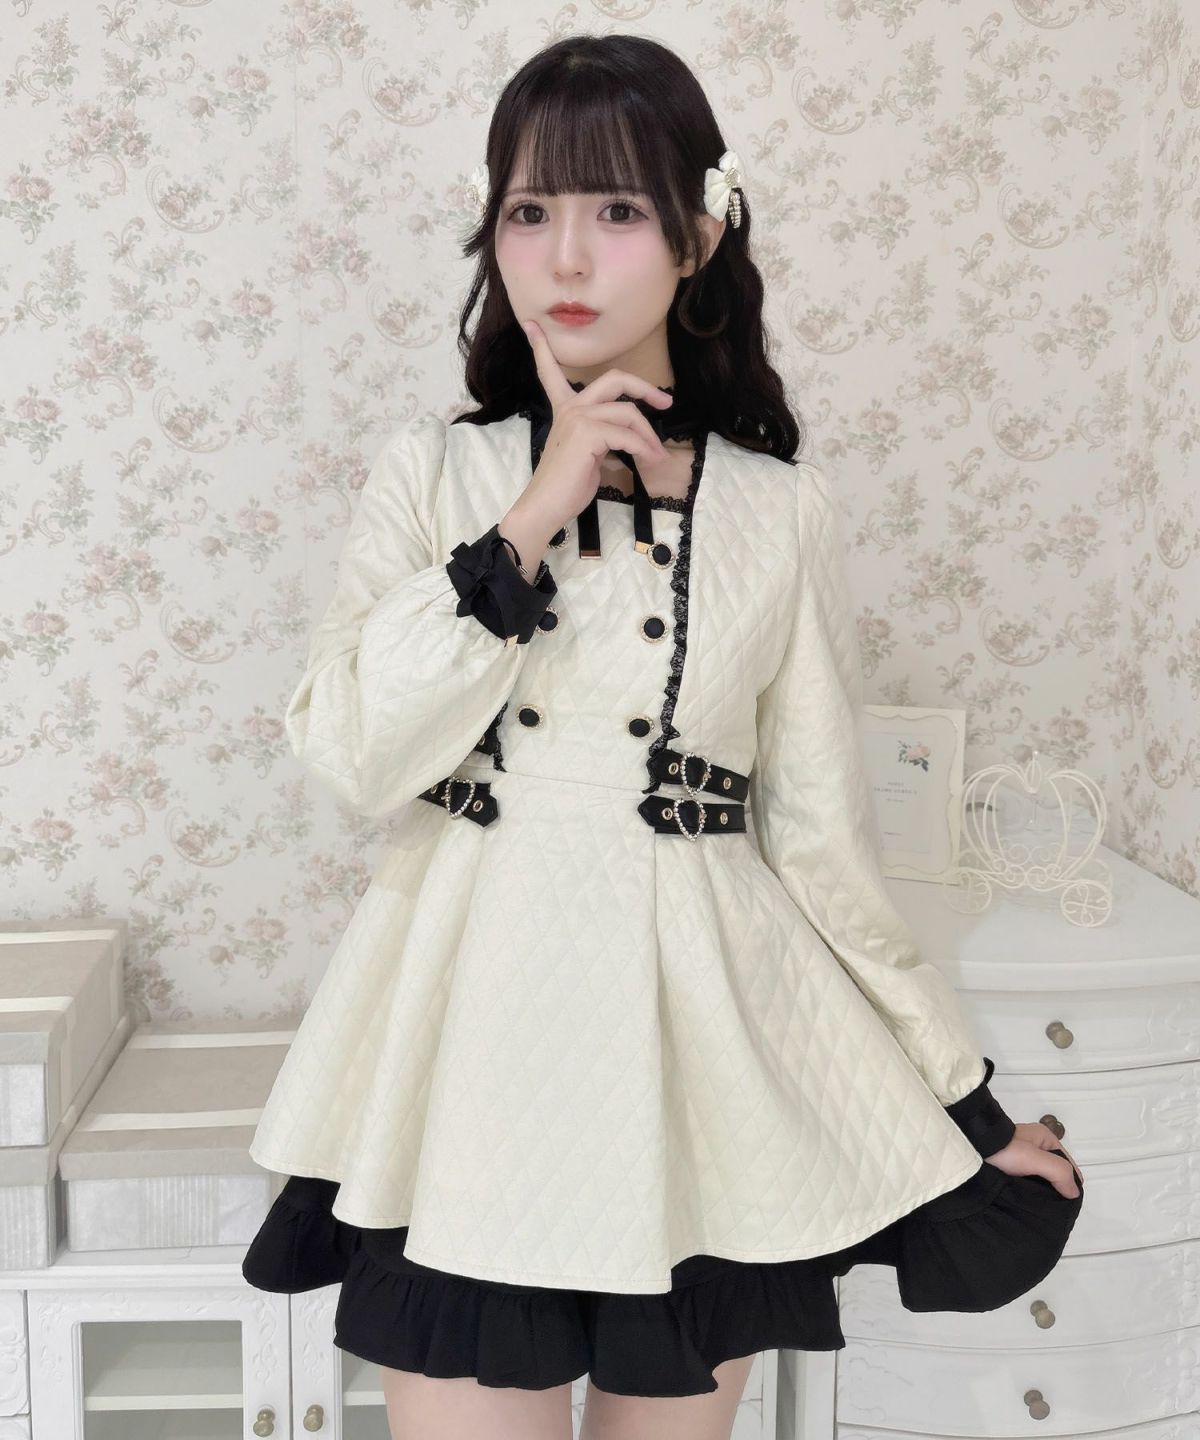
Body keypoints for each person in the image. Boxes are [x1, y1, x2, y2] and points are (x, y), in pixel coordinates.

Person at [240, 32, 1085, 1440]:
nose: (566, 257)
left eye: (618, 210)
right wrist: (532, 514)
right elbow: (352, 754)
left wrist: (970, 1107)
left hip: (698, 1080)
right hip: (470, 1063)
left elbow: (820, 845)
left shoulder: (778, 514)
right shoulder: (437, 475)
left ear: (698, 238)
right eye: (530, 210)